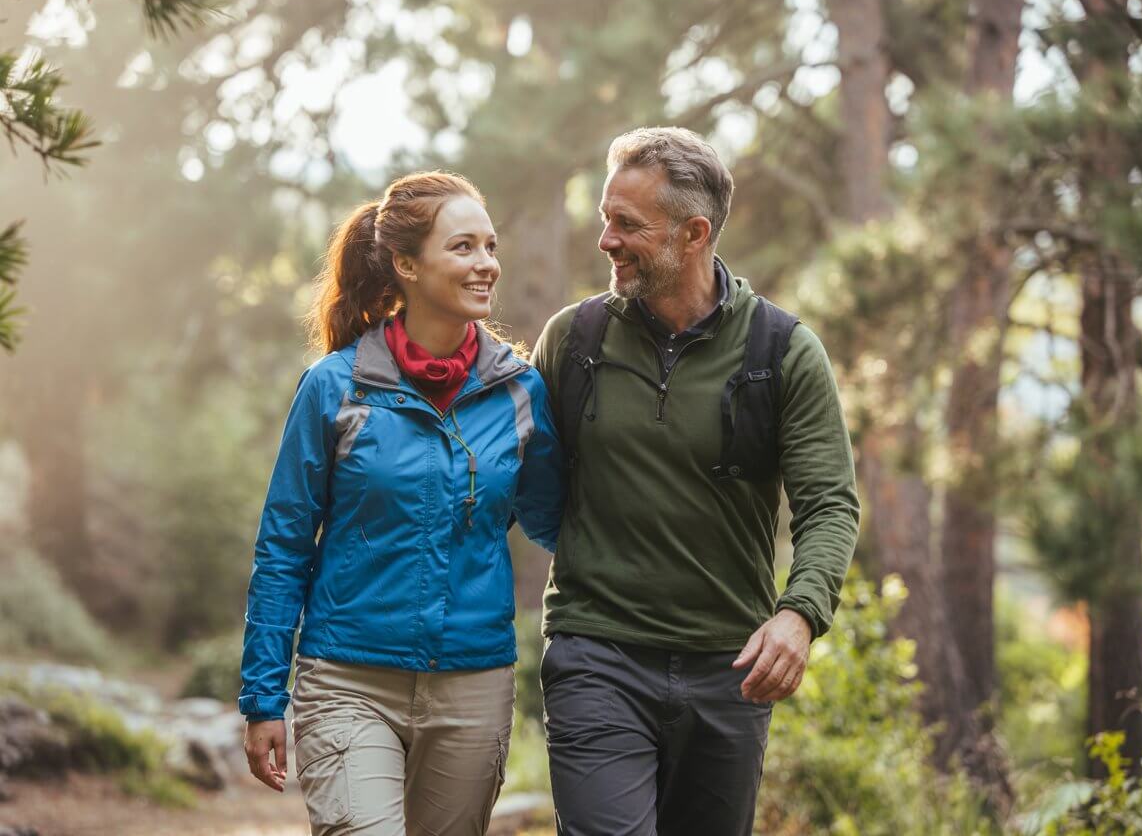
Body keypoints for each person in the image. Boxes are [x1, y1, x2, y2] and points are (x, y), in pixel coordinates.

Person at [530, 127, 860, 836]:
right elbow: (513, 475)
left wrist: (799, 614)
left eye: (628, 225)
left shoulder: (782, 353)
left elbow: (829, 503)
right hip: (597, 654)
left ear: (694, 233)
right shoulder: (574, 340)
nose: (606, 241)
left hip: (729, 669)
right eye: (604, 220)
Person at [239, 171, 566, 836]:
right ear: (407, 265)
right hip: (348, 680)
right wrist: (262, 698)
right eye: (464, 247)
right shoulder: (337, 387)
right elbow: (284, 546)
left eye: (490, 246)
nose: (487, 265)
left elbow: (560, 520)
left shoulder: (519, 391)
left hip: (474, 682)